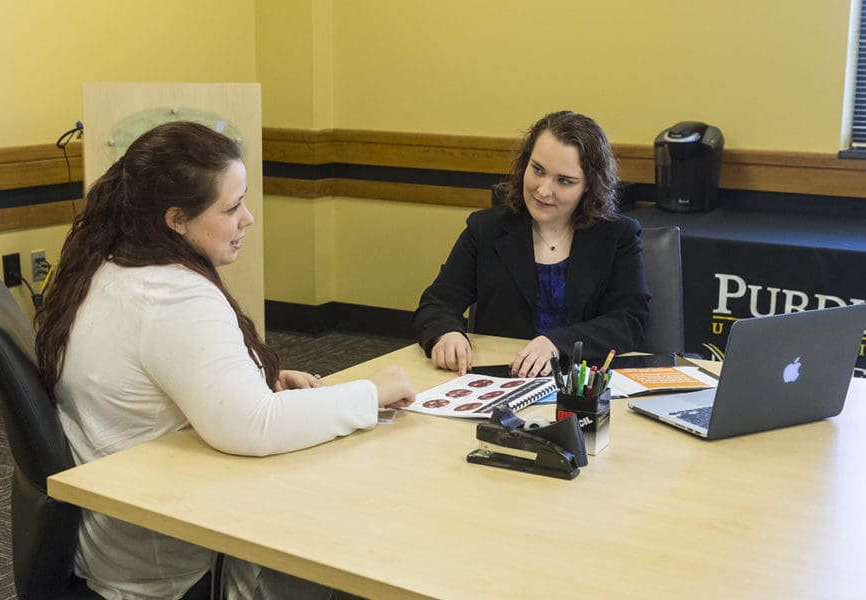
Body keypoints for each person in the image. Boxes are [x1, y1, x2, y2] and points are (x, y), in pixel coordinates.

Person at [35, 121, 415, 600]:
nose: (248, 218)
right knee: (360, 524)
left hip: (119, 537)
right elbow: (251, 426)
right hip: (172, 565)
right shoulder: (175, 296)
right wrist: (371, 392)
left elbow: (165, 375)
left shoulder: (111, 264)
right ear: (176, 219)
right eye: (232, 207)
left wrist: (256, 378)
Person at [412, 110, 650, 378]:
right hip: (503, 378)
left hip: (583, 383)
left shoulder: (618, 235)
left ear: (589, 186)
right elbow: (437, 302)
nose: (543, 190)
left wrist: (557, 343)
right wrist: (447, 333)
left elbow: (629, 321)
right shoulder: (485, 229)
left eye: (564, 181)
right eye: (537, 170)